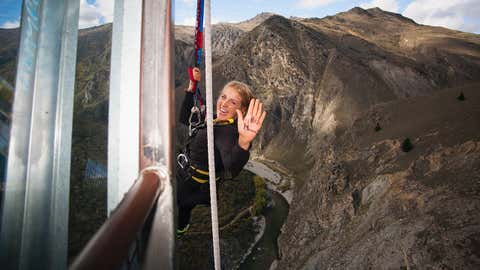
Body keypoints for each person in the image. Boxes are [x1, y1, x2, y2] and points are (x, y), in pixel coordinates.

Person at [176, 67, 266, 235]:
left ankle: (179, 230)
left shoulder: (227, 133)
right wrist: (192, 88)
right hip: (188, 178)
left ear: (243, 111)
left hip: (191, 186)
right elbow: (185, 118)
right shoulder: (214, 118)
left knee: (178, 206)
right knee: (182, 209)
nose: (224, 103)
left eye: (233, 102)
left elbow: (231, 169)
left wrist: (243, 142)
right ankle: (181, 227)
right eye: (223, 97)